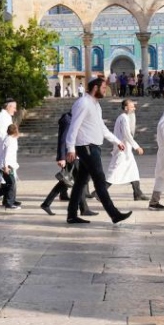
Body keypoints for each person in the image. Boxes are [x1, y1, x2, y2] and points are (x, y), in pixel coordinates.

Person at [65, 78, 132, 224]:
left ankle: (71, 215)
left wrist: (116, 141)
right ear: (95, 87)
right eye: (103, 87)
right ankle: (114, 214)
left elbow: (102, 128)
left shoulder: (96, 105)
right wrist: (70, 147)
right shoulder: (83, 103)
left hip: (94, 146)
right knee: (100, 180)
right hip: (86, 147)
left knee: (80, 182)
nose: (105, 90)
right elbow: (74, 126)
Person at [40, 110, 97, 216]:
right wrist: (61, 157)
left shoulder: (74, 120)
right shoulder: (67, 120)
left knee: (65, 182)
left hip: (75, 154)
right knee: (77, 182)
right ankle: (84, 209)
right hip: (70, 156)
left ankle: (46, 204)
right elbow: (62, 140)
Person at [98, 99, 148, 201]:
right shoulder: (124, 118)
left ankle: (137, 192)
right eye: (132, 106)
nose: (134, 108)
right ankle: (99, 193)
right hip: (123, 150)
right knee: (114, 173)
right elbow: (126, 134)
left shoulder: (123, 117)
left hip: (125, 149)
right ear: (126, 108)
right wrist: (136, 146)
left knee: (133, 171)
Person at [0, 124, 21, 209]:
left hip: (6, 164)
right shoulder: (10, 141)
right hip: (6, 165)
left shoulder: (9, 139)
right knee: (11, 183)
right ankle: (9, 203)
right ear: (15, 131)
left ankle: (9, 200)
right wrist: (6, 166)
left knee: (9, 183)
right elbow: (6, 155)